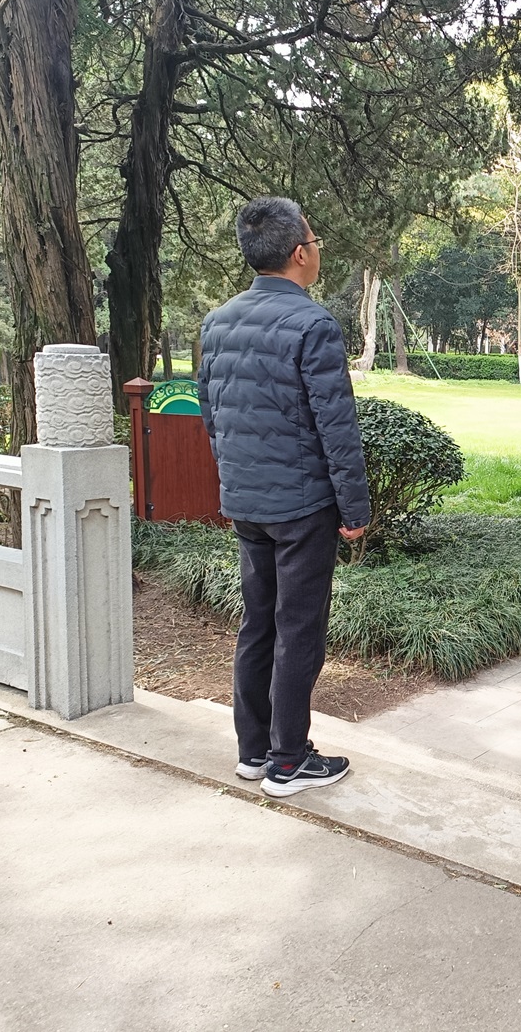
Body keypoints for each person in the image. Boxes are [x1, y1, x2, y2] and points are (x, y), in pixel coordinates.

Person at [199, 196, 369, 798]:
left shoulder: (217, 322)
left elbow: (213, 417)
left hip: (247, 504)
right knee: (298, 631)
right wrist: (355, 509)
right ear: (300, 253)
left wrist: (235, 483)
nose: (317, 251)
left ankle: (254, 751)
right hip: (301, 508)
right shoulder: (313, 325)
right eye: (315, 243)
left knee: (258, 624)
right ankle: (290, 761)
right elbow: (337, 427)